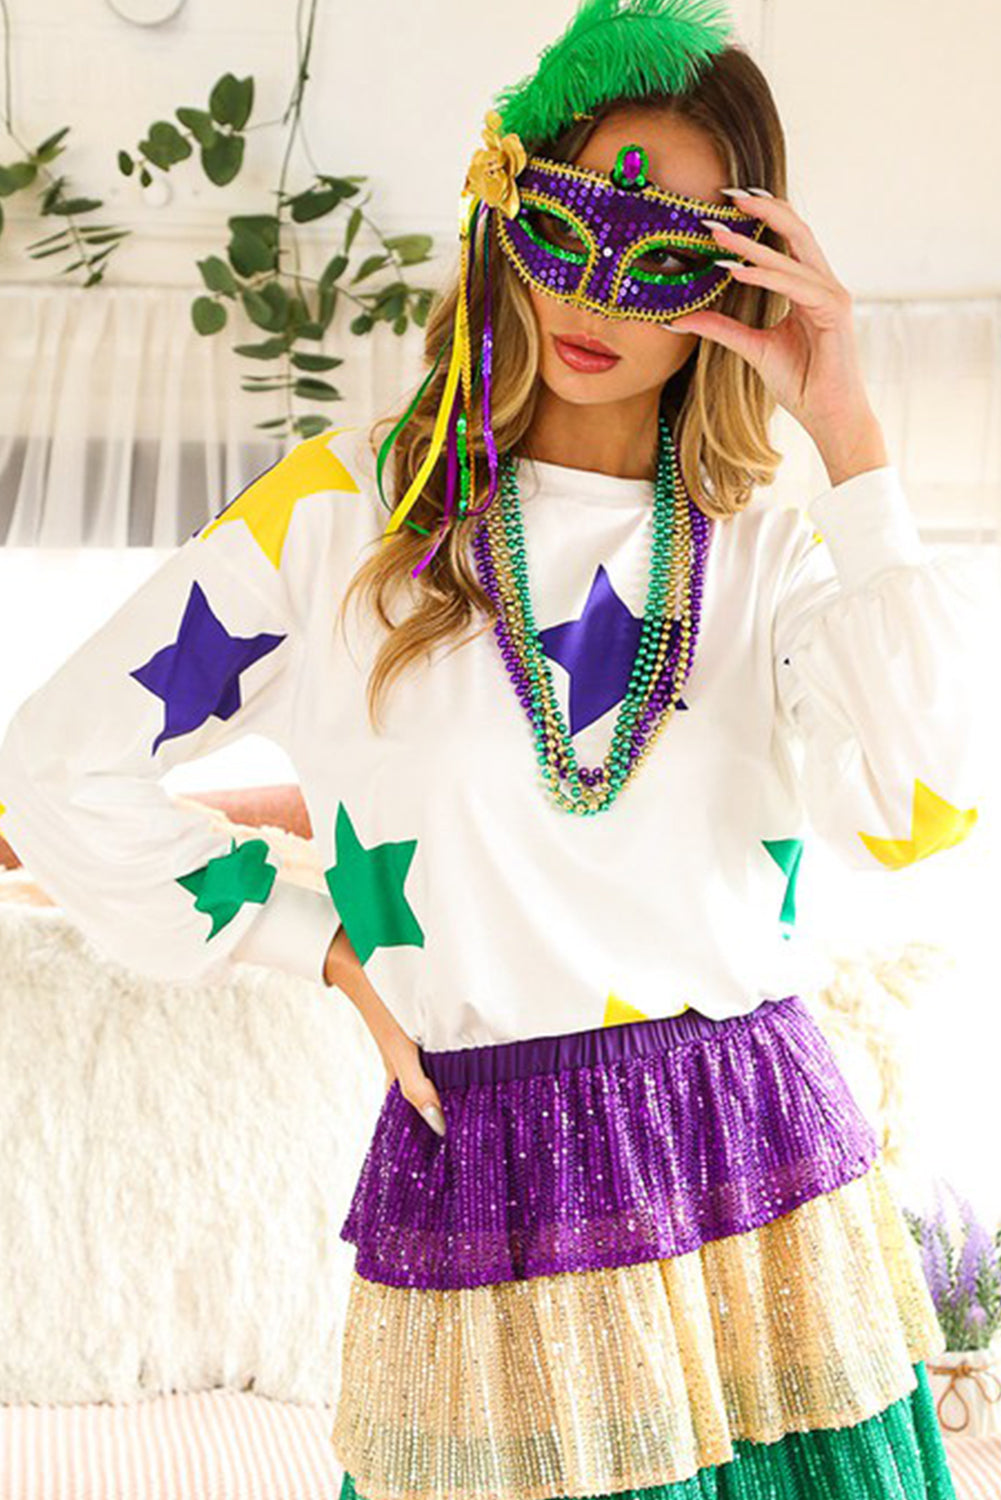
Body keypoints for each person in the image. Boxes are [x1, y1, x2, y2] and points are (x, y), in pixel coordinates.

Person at [0, 1, 985, 1495]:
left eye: (665, 257)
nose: (595, 290)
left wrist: (847, 436)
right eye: (568, 225)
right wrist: (318, 942)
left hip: (761, 1166)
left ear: (737, 283)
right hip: (492, 1172)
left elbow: (928, 808)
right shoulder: (345, 517)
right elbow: (60, 766)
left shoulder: (769, 559)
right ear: (500, 207)